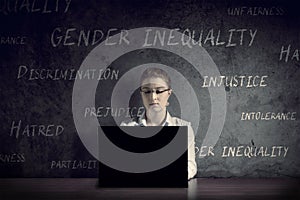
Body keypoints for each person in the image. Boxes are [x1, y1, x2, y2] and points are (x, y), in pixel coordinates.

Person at [121, 67, 197, 180]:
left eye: (159, 91)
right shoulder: (127, 128)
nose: (153, 97)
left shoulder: (183, 128)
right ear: (141, 94)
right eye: (147, 91)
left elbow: (190, 166)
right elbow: (121, 167)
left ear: (168, 94)